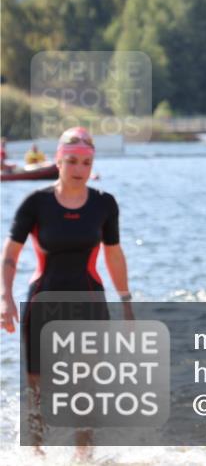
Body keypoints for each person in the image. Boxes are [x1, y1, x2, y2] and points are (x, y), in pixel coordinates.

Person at [1, 126, 133, 460]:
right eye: (71, 161)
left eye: (85, 163)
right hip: (42, 304)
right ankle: (35, 457)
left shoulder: (104, 205)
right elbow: (10, 255)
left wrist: (127, 302)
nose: (78, 170)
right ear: (58, 161)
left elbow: (113, 255)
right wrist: (5, 297)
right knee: (37, 392)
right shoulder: (36, 204)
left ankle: (82, 458)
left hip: (88, 302)